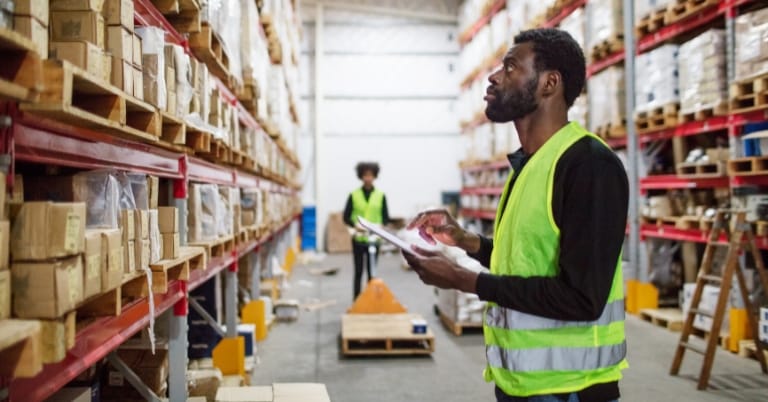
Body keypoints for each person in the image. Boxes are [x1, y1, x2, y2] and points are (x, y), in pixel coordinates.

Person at [403, 28, 629, 402]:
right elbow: (525, 261)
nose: (494, 77)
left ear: (549, 83)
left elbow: (581, 297)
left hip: (572, 387)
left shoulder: (589, 165)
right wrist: (465, 242)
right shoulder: (530, 166)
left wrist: (465, 280)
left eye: (510, 67)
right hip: (521, 383)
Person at [343, 161, 390, 300]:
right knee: (358, 271)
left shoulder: (381, 195)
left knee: (372, 272)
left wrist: (381, 226)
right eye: (365, 175)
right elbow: (346, 216)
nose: (368, 178)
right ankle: (356, 300)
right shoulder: (354, 194)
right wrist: (355, 225)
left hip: (374, 239)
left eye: (370, 175)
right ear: (361, 176)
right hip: (358, 238)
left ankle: (371, 300)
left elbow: (386, 217)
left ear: (374, 176)